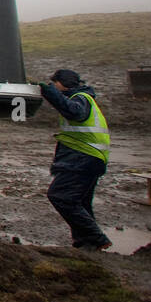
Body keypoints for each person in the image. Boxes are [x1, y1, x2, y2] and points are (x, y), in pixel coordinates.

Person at [40, 68, 112, 251]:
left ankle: (96, 238)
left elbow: (74, 113)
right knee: (81, 202)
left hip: (83, 157)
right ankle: (86, 243)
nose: (53, 86)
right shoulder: (82, 97)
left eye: (54, 83)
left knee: (60, 196)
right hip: (91, 158)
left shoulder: (81, 98)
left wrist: (50, 92)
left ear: (62, 83)